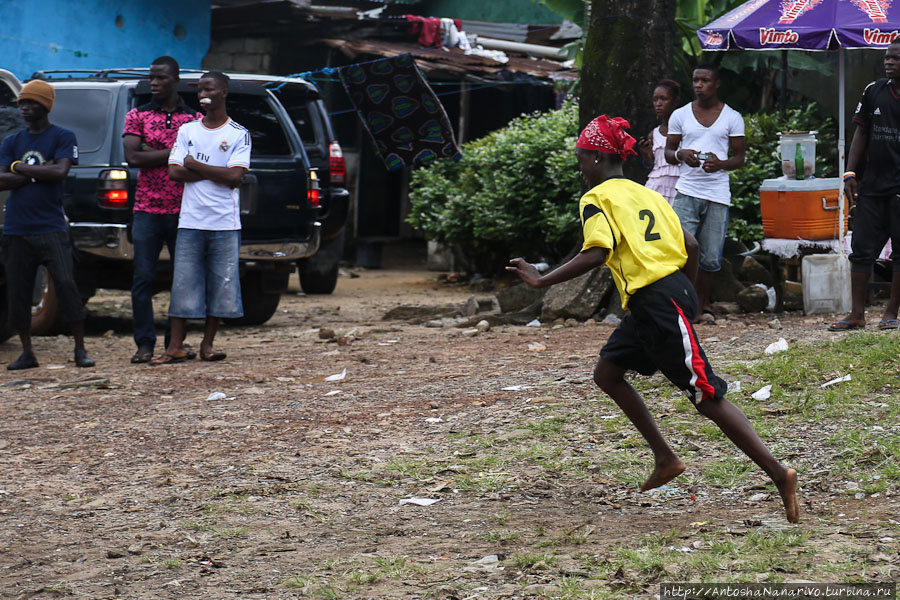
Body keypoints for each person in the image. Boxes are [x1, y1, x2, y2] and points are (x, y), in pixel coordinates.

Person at [507, 115, 799, 524]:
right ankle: (665, 458)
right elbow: (692, 244)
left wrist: (541, 280)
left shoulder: (597, 198)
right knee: (607, 374)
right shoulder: (648, 194)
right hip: (660, 296)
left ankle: (778, 473)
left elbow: (596, 252)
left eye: (580, 158)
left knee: (706, 393)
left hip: (657, 300)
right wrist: (691, 296)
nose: (580, 166)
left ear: (594, 156)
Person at [151, 71, 250, 365]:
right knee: (184, 283)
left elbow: (235, 176)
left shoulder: (237, 133)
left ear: (223, 92)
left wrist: (195, 164)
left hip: (224, 223)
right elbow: (174, 171)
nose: (203, 93)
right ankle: (175, 347)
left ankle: (208, 345)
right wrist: (215, 172)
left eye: (209, 88)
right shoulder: (188, 130)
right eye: (199, 89)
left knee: (221, 284)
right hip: (191, 221)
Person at [0, 80, 95, 369]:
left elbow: (61, 171)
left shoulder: (63, 136)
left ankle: (80, 349)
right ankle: (27, 352)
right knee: (18, 290)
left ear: (45, 106)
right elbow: (2, 178)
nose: (25, 108)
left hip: (50, 226)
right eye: (23, 104)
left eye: (31, 103)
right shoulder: (12, 141)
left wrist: (18, 168)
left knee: (66, 284)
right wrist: (38, 171)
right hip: (17, 227)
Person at [123, 56, 200, 363]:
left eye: (161, 78)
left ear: (175, 80)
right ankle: (144, 344)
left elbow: (198, 158)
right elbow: (133, 158)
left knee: (182, 279)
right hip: (146, 209)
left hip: (185, 211)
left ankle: (174, 343)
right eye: (151, 77)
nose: (154, 83)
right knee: (142, 278)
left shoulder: (194, 119)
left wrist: (150, 151)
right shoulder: (136, 115)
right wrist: (177, 153)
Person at [665, 64, 746, 325]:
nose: (699, 85)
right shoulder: (680, 115)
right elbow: (668, 151)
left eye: (705, 80)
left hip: (717, 194)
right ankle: (679, 307)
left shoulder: (732, 117)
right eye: (695, 80)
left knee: (710, 257)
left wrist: (720, 163)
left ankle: (700, 308)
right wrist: (681, 155)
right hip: (687, 191)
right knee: (679, 250)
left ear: (717, 83)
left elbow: (740, 157)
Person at [829, 39, 900, 332]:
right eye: (887, 57)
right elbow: (861, 133)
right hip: (871, 186)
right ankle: (857, 313)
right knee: (860, 250)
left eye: (895, 58)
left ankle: (891, 313)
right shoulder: (874, 91)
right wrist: (849, 173)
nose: (889, 62)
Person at [638, 79, 681, 205]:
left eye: (663, 99)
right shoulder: (654, 133)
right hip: (656, 188)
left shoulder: (686, 130)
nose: (658, 104)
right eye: (655, 100)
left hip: (679, 189)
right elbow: (651, 164)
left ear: (675, 101)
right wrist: (646, 154)